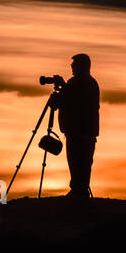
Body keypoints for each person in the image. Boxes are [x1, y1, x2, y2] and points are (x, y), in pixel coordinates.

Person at [48, 54, 99, 199]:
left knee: (80, 163)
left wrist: (64, 88)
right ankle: (78, 191)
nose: (71, 67)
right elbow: (66, 100)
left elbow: (77, 102)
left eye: (74, 64)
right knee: (76, 163)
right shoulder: (76, 83)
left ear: (82, 66)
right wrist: (63, 90)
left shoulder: (87, 83)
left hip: (83, 133)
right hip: (74, 132)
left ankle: (79, 192)